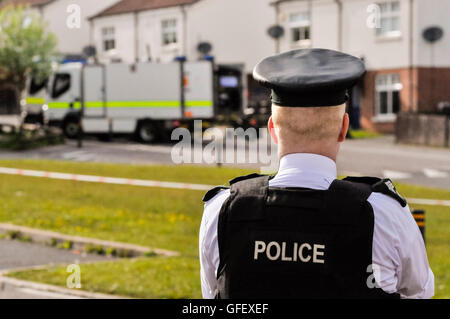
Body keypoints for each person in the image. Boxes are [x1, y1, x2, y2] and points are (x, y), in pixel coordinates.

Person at [199, 49, 434, 299]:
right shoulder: (385, 213)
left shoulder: (222, 212)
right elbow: (419, 292)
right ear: (344, 128)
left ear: (272, 129)